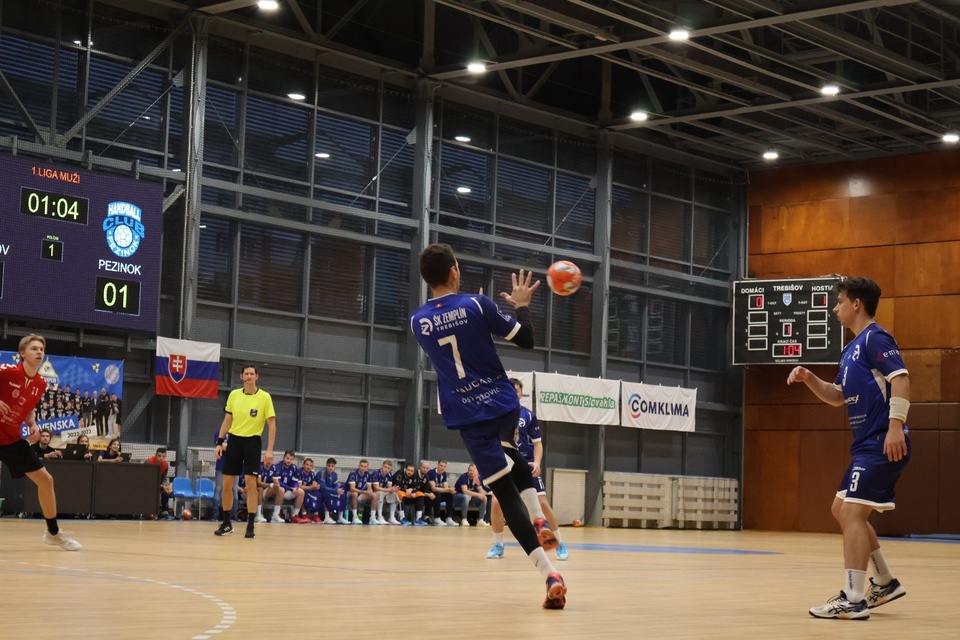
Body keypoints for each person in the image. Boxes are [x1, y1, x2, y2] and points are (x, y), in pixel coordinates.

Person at [410, 243, 565, 609]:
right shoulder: (478, 305)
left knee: (505, 495)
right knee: (512, 452)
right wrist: (520, 306)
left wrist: (474, 316)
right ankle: (539, 519)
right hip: (502, 403)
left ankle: (550, 575)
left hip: (467, 413)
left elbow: (453, 335)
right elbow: (526, 339)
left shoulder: (418, 322)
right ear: (454, 271)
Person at [787, 277, 910, 621]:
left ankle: (854, 599)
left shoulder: (875, 338)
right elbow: (837, 396)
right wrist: (810, 378)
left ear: (856, 304)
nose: (834, 308)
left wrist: (896, 427)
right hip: (867, 445)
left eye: (839, 301)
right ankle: (884, 582)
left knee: (852, 513)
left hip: (881, 441)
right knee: (841, 509)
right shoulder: (850, 349)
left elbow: (901, 378)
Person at [0, 334, 81, 551]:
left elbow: (28, 409)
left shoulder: (40, 383)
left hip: (10, 438)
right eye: (34, 348)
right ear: (22, 353)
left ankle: (53, 533)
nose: (39, 352)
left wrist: (33, 424)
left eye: (41, 349)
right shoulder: (7, 371)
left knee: (46, 480)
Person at [488, 378, 569, 560]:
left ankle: (559, 543)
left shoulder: (529, 415)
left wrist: (537, 462)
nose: (512, 392)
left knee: (542, 503)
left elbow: (538, 444)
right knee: (496, 503)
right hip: (504, 463)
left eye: (515, 389)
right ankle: (498, 545)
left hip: (526, 464)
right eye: (509, 389)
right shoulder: (496, 414)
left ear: (520, 393)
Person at [214, 364, 278, 539]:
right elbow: (227, 420)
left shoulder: (264, 397)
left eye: (252, 373)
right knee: (226, 485)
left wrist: (270, 450)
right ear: (241, 376)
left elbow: (272, 424)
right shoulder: (234, 395)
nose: (249, 376)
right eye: (246, 373)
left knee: (251, 484)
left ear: (257, 377)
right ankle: (227, 523)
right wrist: (219, 442)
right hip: (234, 441)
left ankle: (250, 525)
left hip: (253, 442)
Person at [264, 450, 304, 523]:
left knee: (301, 492)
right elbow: (278, 482)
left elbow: (295, 481)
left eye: (291, 459)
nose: (289, 461)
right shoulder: (278, 466)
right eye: (287, 458)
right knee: (281, 489)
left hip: (288, 490)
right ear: (283, 457)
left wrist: (295, 488)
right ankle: (275, 515)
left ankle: (295, 516)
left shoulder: (294, 467)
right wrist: (291, 489)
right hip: (277, 491)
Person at [212, 429, 237, 522]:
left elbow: (238, 448)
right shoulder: (219, 432)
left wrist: (227, 447)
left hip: (235, 465)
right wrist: (231, 447)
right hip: (221, 465)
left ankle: (233, 514)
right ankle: (215, 514)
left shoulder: (237, 432)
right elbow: (218, 446)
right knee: (218, 489)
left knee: (234, 490)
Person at [144, 447, 174, 520]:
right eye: (159, 456)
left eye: (163, 456)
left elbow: (164, 478)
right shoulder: (148, 463)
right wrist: (159, 485)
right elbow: (146, 478)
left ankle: (164, 511)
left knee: (166, 491)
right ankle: (149, 512)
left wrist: (166, 485)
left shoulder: (165, 465)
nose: (161, 458)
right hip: (147, 485)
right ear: (155, 455)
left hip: (158, 486)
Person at [316, 457, 348, 524]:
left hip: (330, 490)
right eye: (329, 466)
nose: (330, 468)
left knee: (342, 494)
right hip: (320, 491)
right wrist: (335, 491)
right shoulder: (321, 473)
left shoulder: (335, 474)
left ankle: (340, 517)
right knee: (327, 495)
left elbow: (336, 485)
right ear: (326, 465)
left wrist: (338, 490)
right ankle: (327, 517)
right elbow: (323, 487)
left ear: (334, 467)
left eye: (332, 466)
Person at [426, 459, 457, 526]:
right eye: (441, 465)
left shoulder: (444, 474)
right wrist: (447, 489)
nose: (442, 468)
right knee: (437, 494)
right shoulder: (431, 473)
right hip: (429, 495)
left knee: (449, 495)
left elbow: (445, 487)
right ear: (437, 465)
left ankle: (448, 518)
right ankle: (437, 518)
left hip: (438, 494)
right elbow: (433, 488)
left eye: (444, 466)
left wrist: (450, 490)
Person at [347, 459, 377, 524]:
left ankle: (372, 518)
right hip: (348, 493)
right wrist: (364, 492)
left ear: (367, 468)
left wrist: (370, 491)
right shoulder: (353, 474)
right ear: (358, 466)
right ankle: (354, 517)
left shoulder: (368, 475)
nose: (363, 468)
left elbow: (369, 488)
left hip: (360, 493)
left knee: (374, 495)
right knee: (355, 494)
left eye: (365, 466)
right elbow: (352, 489)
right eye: (361, 466)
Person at [371, 460, 400, 525]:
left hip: (383, 491)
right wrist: (389, 489)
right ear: (382, 466)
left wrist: (393, 489)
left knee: (394, 494)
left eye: (388, 468)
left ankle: (392, 517)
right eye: (385, 467)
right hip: (374, 492)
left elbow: (389, 487)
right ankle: (379, 517)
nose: (386, 469)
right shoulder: (376, 473)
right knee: (380, 493)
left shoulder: (389, 474)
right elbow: (376, 488)